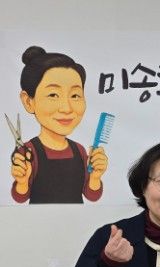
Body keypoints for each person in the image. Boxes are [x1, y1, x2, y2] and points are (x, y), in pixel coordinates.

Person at [10, 46, 108, 204]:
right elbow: (20, 198)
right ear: (28, 101)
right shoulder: (27, 151)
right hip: (39, 219)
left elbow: (91, 196)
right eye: (53, 95)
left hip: (76, 218)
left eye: (75, 95)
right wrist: (22, 182)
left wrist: (96, 177)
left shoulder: (79, 150)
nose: (66, 108)